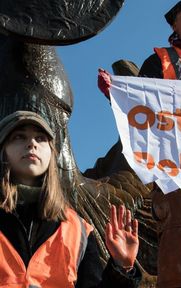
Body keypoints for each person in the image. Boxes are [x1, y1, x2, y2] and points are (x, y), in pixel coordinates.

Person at [98, 0, 181, 287]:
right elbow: (141, 105)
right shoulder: (158, 61)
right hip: (177, 174)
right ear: (174, 24)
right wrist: (116, 94)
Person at [0, 110, 142, 288]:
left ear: (52, 154)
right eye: (19, 137)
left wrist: (122, 269)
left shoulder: (79, 230)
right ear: (3, 150)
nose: (32, 144)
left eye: (41, 138)